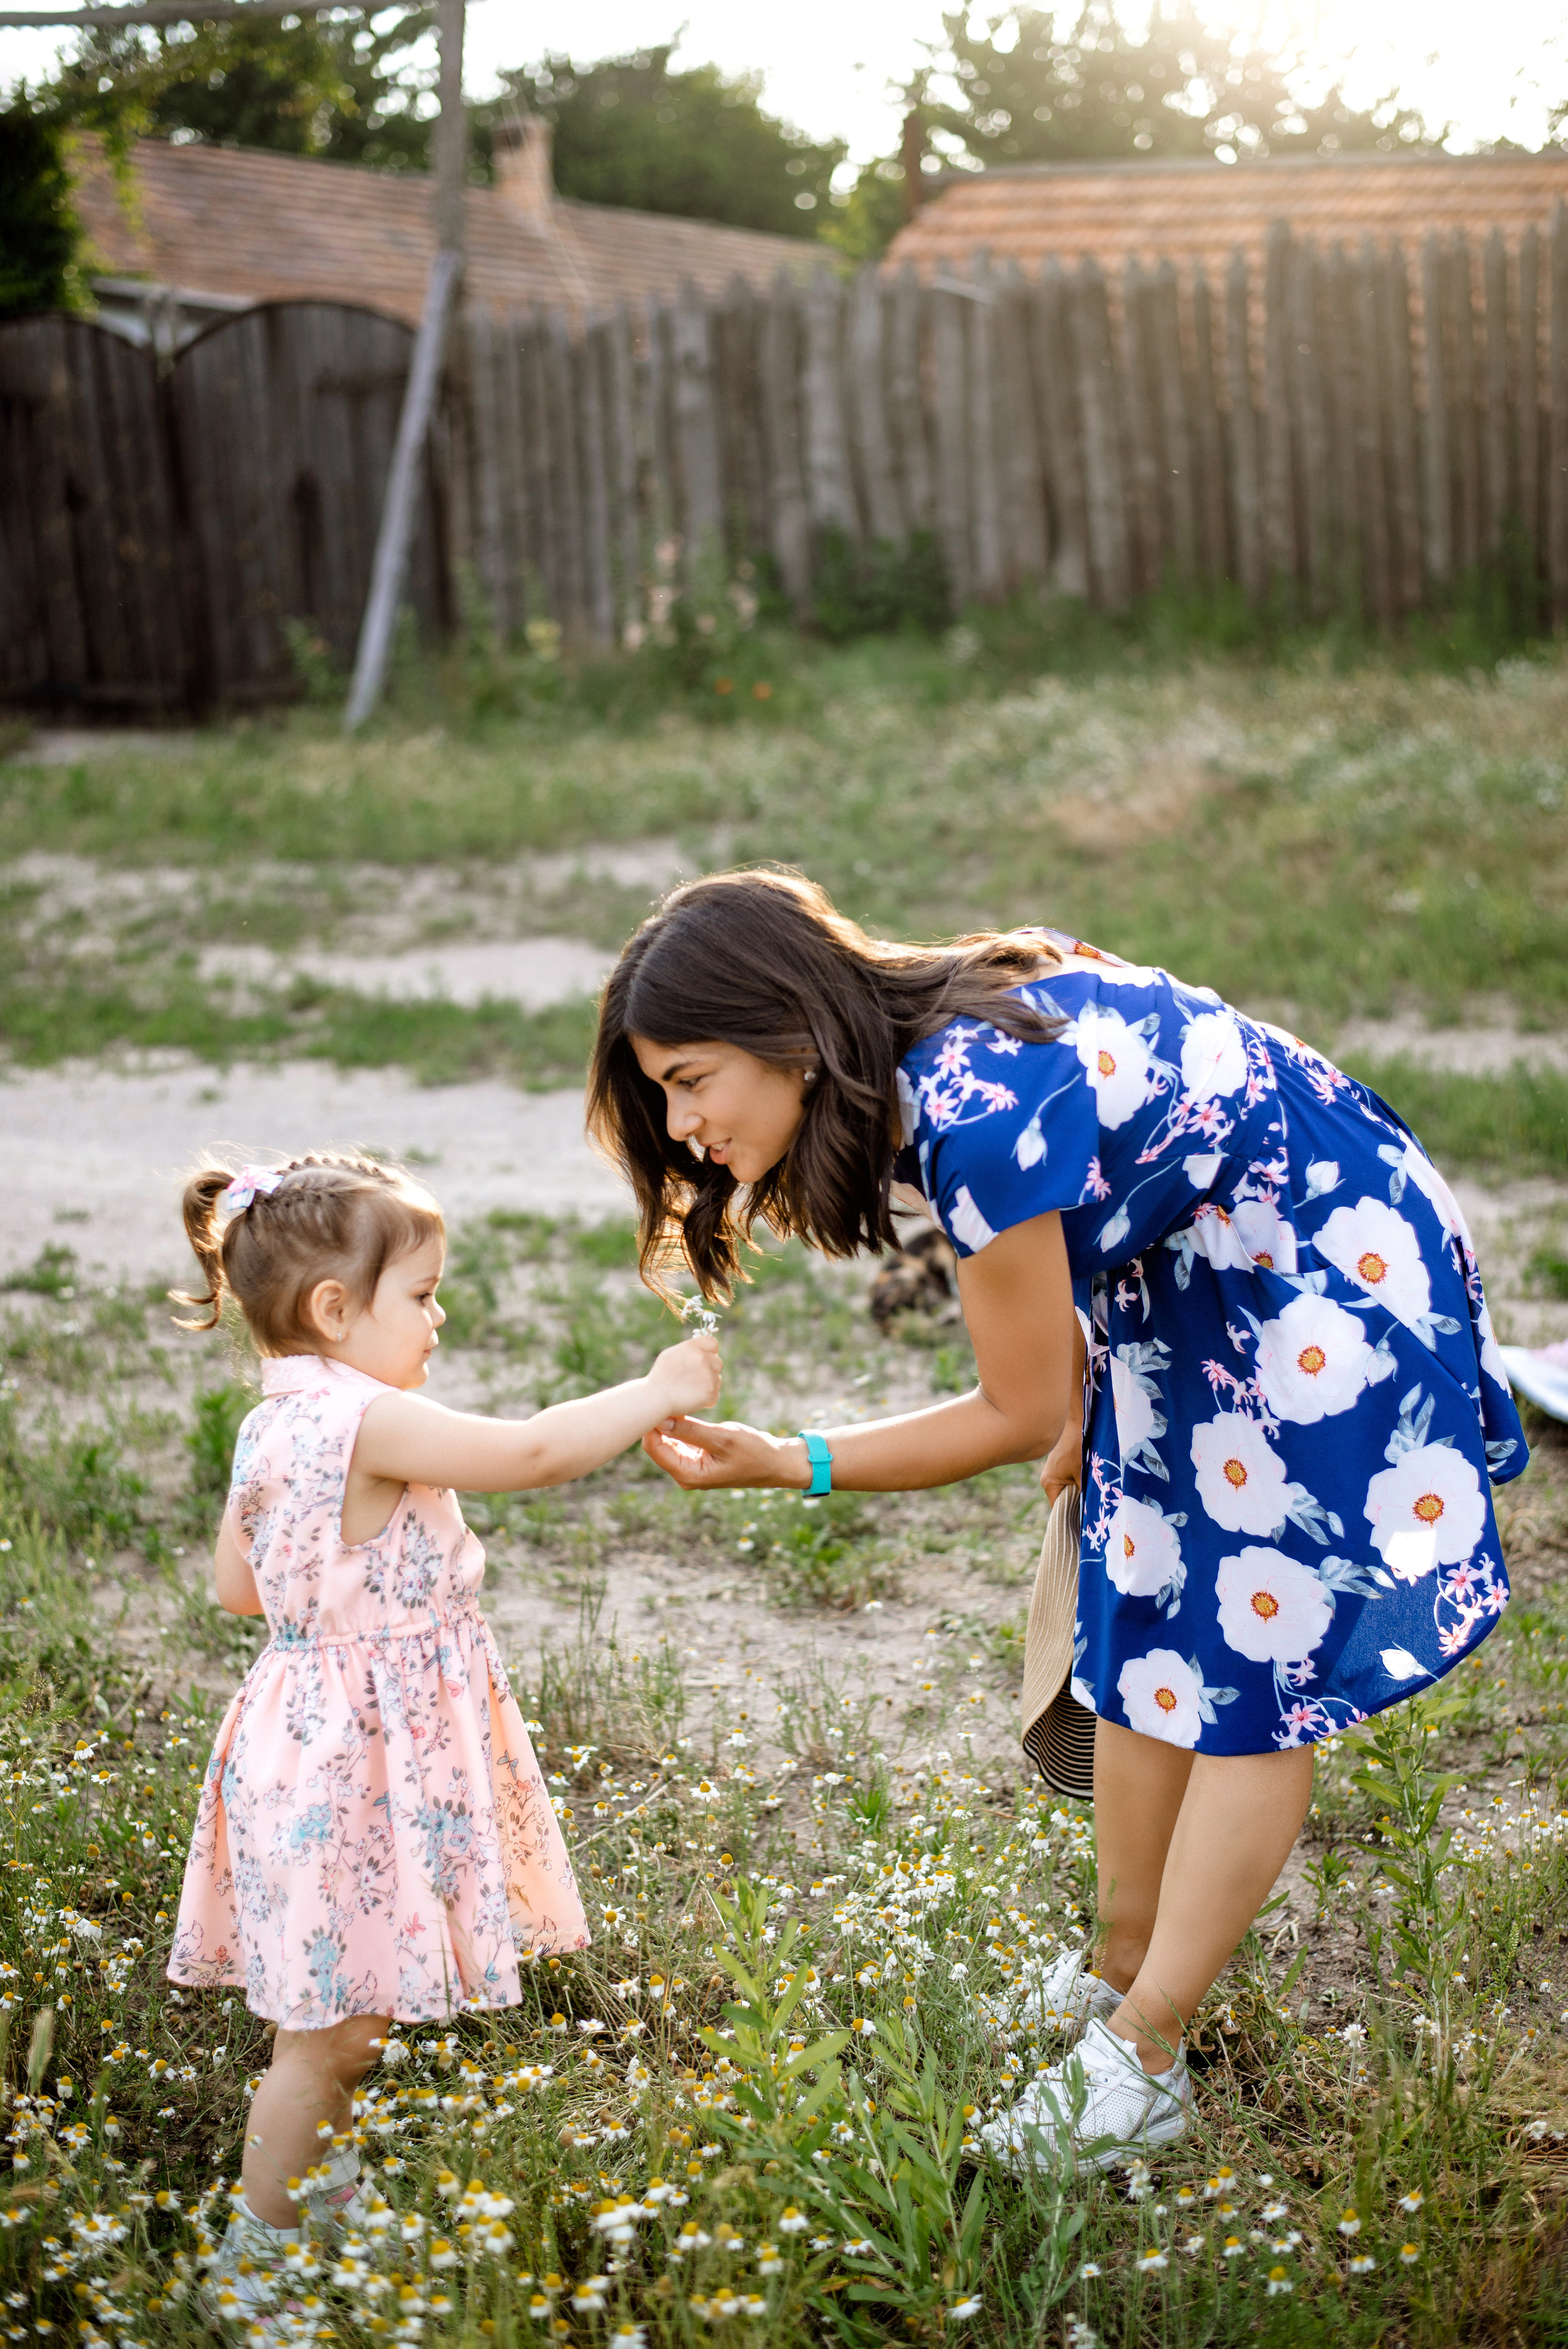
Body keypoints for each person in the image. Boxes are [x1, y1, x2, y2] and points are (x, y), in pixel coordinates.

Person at [587, 869, 1526, 2172]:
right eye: (663, 1096)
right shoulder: (919, 1048)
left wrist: (789, 1462)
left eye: (690, 1079)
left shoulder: (969, 1107)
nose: (683, 1126)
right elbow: (1130, 1155)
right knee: (1138, 1611)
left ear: (788, 1031)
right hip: (1187, 1258)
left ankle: (1143, 2056)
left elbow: (1013, 1415)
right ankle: (1115, 1967)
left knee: (1254, 1676)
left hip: (1316, 1265)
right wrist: (1083, 1357)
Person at [167, 1152, 720, 2321]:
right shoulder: (371, 1419)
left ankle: (323, 2194)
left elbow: (236, 1587)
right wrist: (657, 1387)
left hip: (300, 1745)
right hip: (359, 1761)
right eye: (420, 1295)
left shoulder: (272, 1426)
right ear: (334, 1309)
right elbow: (527, 1454)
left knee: (336, 2015)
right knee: (321, 2044)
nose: (441, 1314)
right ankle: (261, 2268)